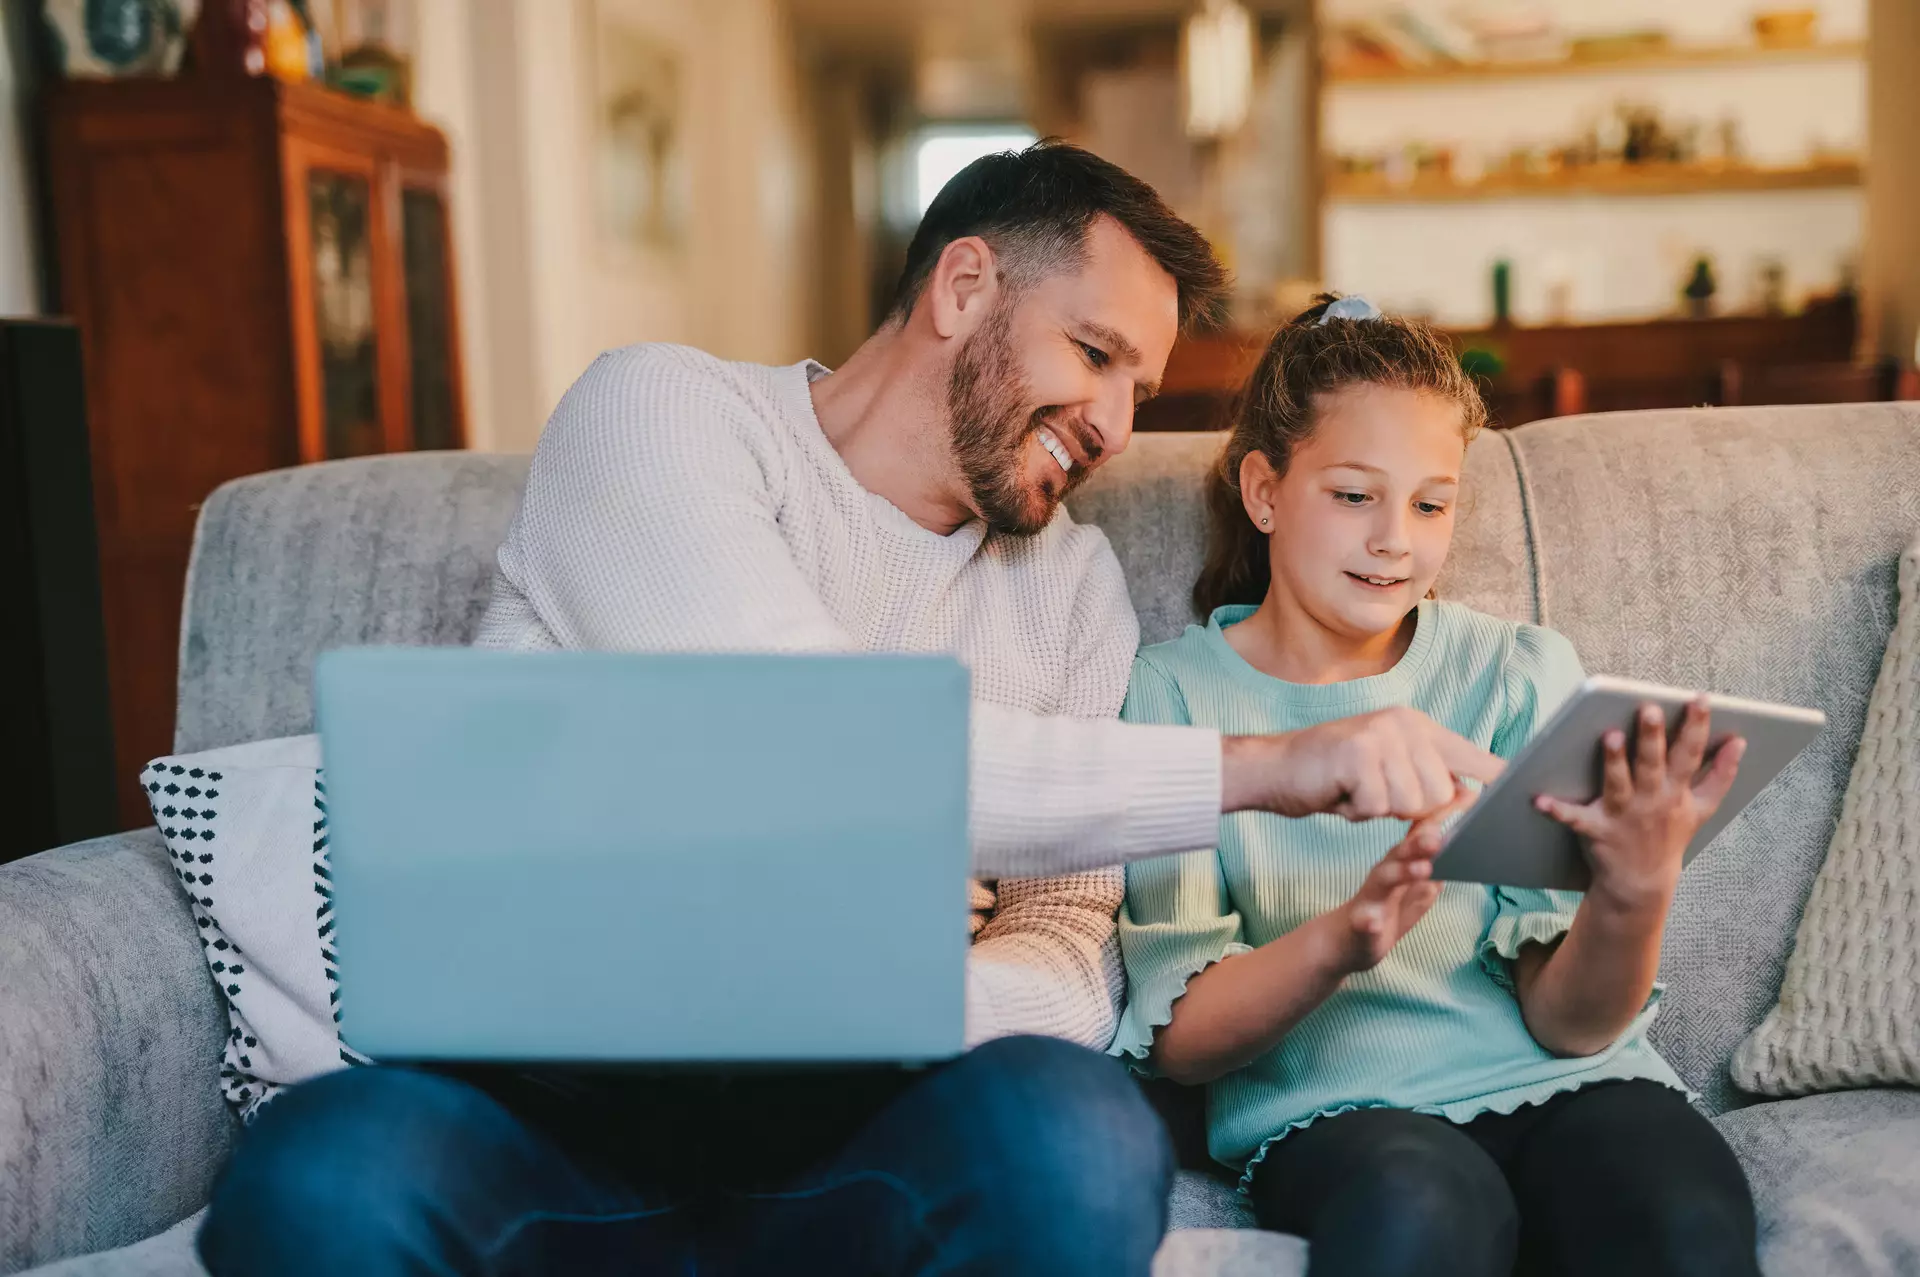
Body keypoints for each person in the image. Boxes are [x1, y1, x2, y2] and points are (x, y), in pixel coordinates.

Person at [198, 146, 1502, 1277]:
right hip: (547, 1115)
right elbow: (804, 735)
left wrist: (890, 986)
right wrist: (1269, 765)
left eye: (1139, 393)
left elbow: (1074, 938)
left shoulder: (1069, 586)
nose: (1111, 423)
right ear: (964, 285)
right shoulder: (664, 415)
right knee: (318, 1175)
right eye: (1094, 355)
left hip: (864, 1140)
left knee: (1077, 1134)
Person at [1112, 293, 1761, 1277]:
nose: (1395, 541)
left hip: (1567, 1084)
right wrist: (1347, 935)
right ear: (1265, 490)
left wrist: (1636, 889)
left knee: (1681, 1208)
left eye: (1430, 501)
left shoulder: (1515, 672)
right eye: (1353, 495)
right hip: (1340, 1116)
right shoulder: (1172, 693)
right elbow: (1184, 1039)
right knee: (1420, 1210)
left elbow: (1570, 1020)